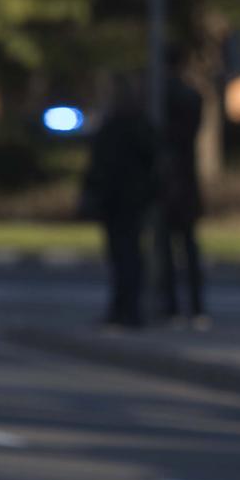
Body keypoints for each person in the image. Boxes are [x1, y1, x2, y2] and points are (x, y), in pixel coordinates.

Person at [82, 81, 157, 331]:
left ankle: (127, 309)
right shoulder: (133, 126)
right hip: (123, 200)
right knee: (125, 256)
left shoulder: (122, 128)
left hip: (123, 200)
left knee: (126, 256)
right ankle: (125, 309)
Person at [154, 51, 209, 330]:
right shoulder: (190, 97)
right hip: (184, 183)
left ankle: (175, 306)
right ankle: (193, 306)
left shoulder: (165, 99)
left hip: (173, 183)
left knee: (171, 249)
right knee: (185, 248)